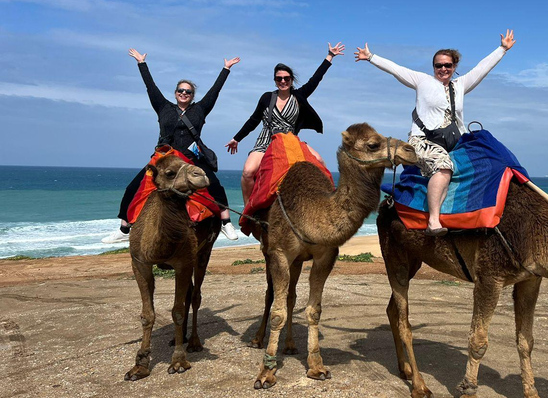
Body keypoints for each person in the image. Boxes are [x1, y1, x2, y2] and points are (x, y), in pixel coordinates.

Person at [354, 30, 516, 236]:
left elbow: (481, 69)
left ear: (454, 66)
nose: (443, 69)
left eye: (448, 65)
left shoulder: (460, 85)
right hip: (422, 141)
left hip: (455, 142)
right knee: (443, 167)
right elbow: (396, 69)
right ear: (433, 67)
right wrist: (371, 57)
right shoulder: (422, 81)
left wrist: (502, 49)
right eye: (438, 65)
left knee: (491, 159)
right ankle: (433, 221)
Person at [101, 48, 240, 243]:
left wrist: (226, 69)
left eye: (188, 91)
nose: (184, 93)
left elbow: (214, 91)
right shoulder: (163, 107)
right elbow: (151, 87)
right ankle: (124, 229)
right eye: (181, 90)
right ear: (175, 93)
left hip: (192, 158)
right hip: (165, 158)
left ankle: (226, 223)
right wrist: (142, 64)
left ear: (192, 95)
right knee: (133, 187)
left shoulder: (200, 110)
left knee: (214, 184)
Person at [225, 42, 344, 204]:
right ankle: (248, 209)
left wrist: (330, 56)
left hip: (290, 141)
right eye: (279, 78)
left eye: (286, 78)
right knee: (247, 172)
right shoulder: (267, 97)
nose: (283, 81)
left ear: (291, 80)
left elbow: (316, 79)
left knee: (320, 162)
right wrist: (236, 138)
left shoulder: (299, 96)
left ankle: (329, 204)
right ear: (275, 80)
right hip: (267, 140)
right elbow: (253, 120)